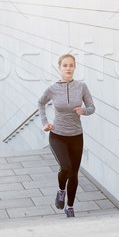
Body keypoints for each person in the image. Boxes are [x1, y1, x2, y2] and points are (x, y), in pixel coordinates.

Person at [38, 53, 95, 218]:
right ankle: (61, 190)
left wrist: (83, 111)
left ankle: (70, 207)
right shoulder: (52, 89)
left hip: (76, 135)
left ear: (74, 67)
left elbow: (92, 108)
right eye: (65, 65)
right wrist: (44, 122)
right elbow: (40, 102)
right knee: (66, 168)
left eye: (71, 65)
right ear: (60, 68)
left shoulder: (82, 87)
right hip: (58, 135)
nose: (68, 68)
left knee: (75, 173)